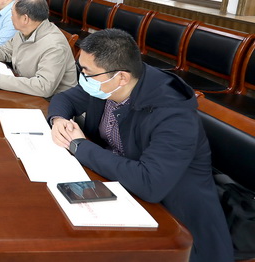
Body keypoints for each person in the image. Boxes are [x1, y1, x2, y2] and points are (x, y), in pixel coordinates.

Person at [48, 29, 233, 262]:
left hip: (176, 224)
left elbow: (150, 183)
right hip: (121, 189)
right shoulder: (107, 84)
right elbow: (65, 98)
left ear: (121, 77)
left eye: (87, 72)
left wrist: (80, 146)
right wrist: (59, 120)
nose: (82, 77)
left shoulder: (173, 115)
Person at [0, 0, 76, 98]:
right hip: (25, 88)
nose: (10, 18)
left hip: (51, 102)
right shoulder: (26, 30)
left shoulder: (54, 46)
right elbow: (6, 50)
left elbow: (43, 86)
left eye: (12, 14)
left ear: (25, 18)